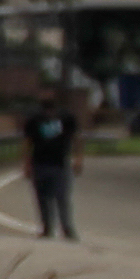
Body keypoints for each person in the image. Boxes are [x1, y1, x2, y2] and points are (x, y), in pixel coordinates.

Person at [21, 93, 84, 242]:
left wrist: (78, 158)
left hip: (60, 162)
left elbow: (76, 137)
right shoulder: (34, 118)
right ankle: (46, 227)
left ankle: (66, 227)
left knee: (61, 196)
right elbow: (27, 141)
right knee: (42, 197)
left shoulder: (66, 117)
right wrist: (26, 164)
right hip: (40, 162)